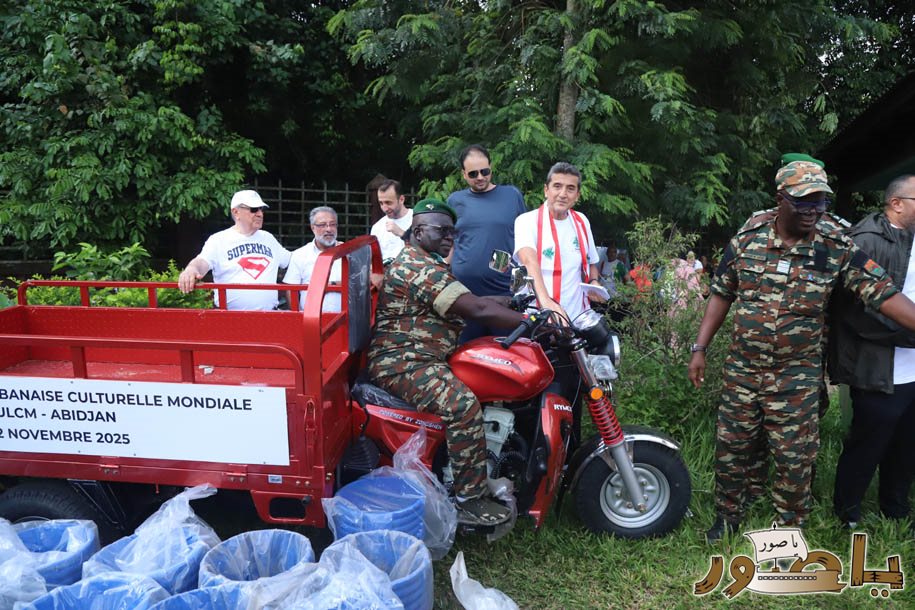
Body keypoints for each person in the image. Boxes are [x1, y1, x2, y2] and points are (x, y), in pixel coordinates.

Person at [688, 160, 915, 542]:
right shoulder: (750, 235)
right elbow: (723, 291)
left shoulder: (836, 243)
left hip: (798, 375)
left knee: (796, 458)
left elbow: (883, 293)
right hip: (743, 369)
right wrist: (700, 348)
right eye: (804, 202)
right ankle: (728, 516)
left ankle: (789, 528)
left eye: (821, 202)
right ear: (781, 199)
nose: (814, 210)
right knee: (732, 447)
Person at [367, 198, 526, 526]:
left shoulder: (426, 261)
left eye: (453, 231)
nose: (450, 237)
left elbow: (467, 299)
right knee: (461, 405)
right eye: (443, 230)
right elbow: (477, 310)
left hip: (422, 356)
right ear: (419, 230)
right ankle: (469, 499)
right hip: (402, 362)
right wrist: (531, 322)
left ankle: (477, 473)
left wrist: (515, 302)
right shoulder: (418, 267)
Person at [829, 174, 915, 529]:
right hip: (879, 366)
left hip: (913, 368)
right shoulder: (866, 240)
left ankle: (895, 509)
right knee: (868, 443)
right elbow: (854, 313)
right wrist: (908, 336)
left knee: (907, 444)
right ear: (897, 204)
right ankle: (846, 513)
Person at [447, 144, 528, 342]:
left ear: (491, 168)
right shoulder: (455, 200)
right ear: (464, 174)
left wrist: (522, 287)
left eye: (485, 171)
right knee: (466, 356)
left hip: (504, 293)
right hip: (465, 294)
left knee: (508, 355)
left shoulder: (511, 195)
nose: (480, 177)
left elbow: (525, 240)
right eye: (473, 173)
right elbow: (449, 241)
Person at [514, 162, 603, 322]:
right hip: (541, 318)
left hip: (579, 318)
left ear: (577, 195)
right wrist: (547, 303)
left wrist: (594, 281)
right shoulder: (526, 221)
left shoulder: (582, 221)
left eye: (570, 188)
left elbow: (590, 262)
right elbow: (529, 261)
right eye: (557, 186)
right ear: (546, 190)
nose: (563, 194)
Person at [178, 190, 291, 310]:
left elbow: (291, 261)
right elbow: (202, 261)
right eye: (254, 209)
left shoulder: (268, 238)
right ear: (236, 212)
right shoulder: (218, 240)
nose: (260, 214)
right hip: (230, 319)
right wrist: (191, 269)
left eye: (261, 209)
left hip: (267, 317)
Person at [284, 207, 343, 312]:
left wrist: (331, 284)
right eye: (322, 225)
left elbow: (358, 284)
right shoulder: (300, 255)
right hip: (310, 322)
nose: (328, 229)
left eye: (332, 224)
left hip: (345, 321)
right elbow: (290, 288)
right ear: (312, 228)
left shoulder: (349, 253)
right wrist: (297, 317)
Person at [370, 179, 413, 263]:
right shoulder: (377, 227)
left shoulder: (417, 219)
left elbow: (427, 250)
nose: (384, 208)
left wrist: (402, 233)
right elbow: (374, 263)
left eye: (388, 203)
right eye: (381, 203)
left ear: (401, 199)